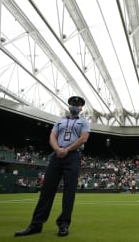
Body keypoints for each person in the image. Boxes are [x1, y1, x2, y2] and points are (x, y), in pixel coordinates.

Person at [15, 96, 90, 237]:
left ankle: (63, 225)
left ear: (81, 108)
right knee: (46, 191)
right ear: (69, 106)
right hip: (56, 156)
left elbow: (83, 138)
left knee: (69, 193)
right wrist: (57, 150)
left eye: (79, 105)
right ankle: (36, 225)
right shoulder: (60, 121)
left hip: (73, 156)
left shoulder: (84, 122)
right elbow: (52, 136)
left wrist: (66, 150)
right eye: (74, 104)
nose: (76, 106)